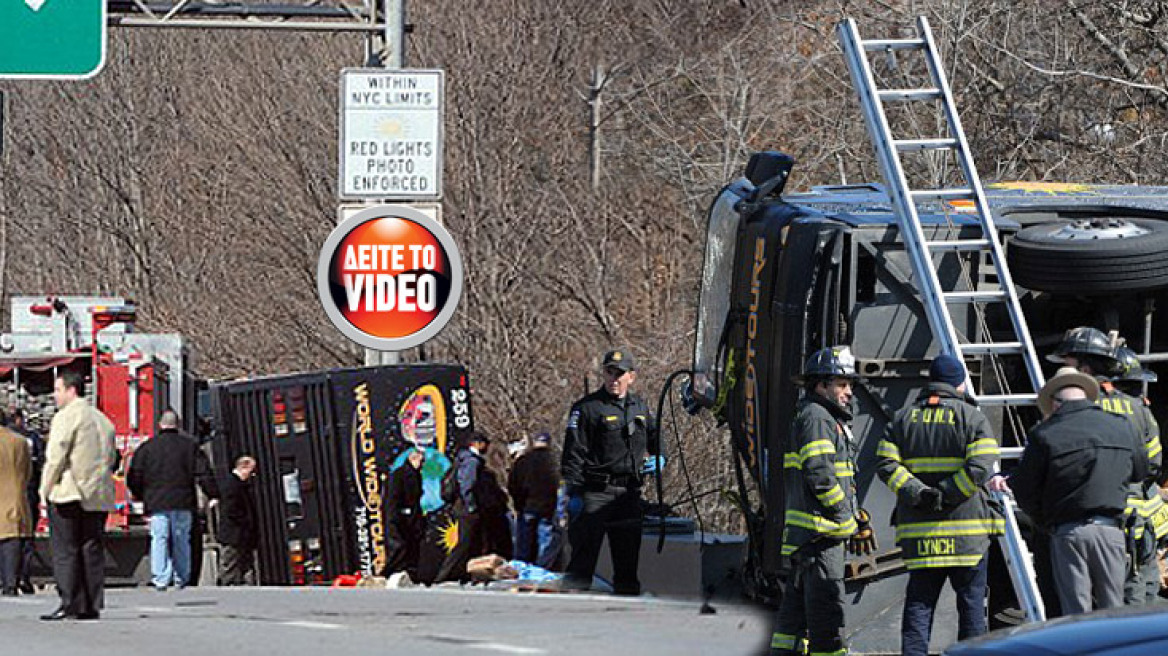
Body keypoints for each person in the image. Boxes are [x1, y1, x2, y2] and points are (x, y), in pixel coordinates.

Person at [989, 366, 1148, 615]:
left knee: (1076, 614)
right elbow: (1140, 472)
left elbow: (1025, 490)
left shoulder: (1044, 434)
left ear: (1055, 404)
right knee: (1115, 613)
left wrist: (1046, 522)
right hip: (1112, 531)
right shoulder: (1122, 426)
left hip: (1068, 533)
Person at [876, 354, 1001, 656]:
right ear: (960, 384)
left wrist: (920, 493)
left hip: (921, 537)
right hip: (967, 538)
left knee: (919, 607)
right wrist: (947, 493)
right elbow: (982, 466)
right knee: (971, 610)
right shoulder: (972, 417)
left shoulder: (902, 419)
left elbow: (885, 464)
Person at [1048, 327, 1163, 605]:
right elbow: (1153, 464)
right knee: (1137, 595)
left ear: (1085, 367)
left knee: (1088, 603)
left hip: (1094, 518)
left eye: (1069, 365)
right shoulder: (1137, 408)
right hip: (1139, 519)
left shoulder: (1079, 408)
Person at [770, 346, 864, 656]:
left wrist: (856, 514)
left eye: (849, 384)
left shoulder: (819, 416)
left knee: (793, 619)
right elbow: (820, 473)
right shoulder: (817, 417)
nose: (848, 392)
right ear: (820, 385)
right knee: (827, 617)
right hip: (821, 535)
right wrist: (844, 516)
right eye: (841, 384)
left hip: (812, 536)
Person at [561, 348, 659, 595]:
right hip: (595, 493)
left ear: (631, 377)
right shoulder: (587, 409)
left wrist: (660, 456)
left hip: (629, 493)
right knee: (582, 561)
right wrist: (573, 493)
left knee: (627, 564)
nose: (614, 379)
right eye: (609, 372)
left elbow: (656, 437)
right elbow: (574, 453)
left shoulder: (640, 407)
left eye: (620, 374)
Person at [39, 371, 117, 621]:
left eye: (58, 389)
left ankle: (70, 601)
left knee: (66, 549)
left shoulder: (66, 417)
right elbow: (111, 458)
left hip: (69, 491)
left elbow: (56, 457)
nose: (55, 395)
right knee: (91, 548)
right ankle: (91, 603)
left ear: (71, 390)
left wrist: (45, 489)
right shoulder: (103, 420)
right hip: (97, 493)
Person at [126, 408, 218, 591]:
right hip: (183, 501)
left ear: (160, 425)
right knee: (181, 538)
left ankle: (161, 577)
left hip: (157, 502)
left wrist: (139, 494)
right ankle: (181, 577)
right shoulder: (190, 446)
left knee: (159, 538)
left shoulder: (147, 448)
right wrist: (213, 493)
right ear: (178, 425)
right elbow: (203, 473)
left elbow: (134, 475)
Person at [1112, 345, 1166, 603]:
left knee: (1130, 584)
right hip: (1147, 514)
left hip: (1123, 514)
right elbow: (1154, 462)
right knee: (1147, 577)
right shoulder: (1144, 414)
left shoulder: (1100, 410)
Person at [436, 431, 492, 582]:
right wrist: (472, 505)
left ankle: (468, 575)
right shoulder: (471, 461)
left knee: (473, 542)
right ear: (476, 444)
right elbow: (467, 485)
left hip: (462, 507)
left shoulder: (463, 459)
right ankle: (444, 575)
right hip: (467, 509)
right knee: (464, 543)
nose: (487, 447)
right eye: (485, 443)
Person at [509, 432, 561, 568]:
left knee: (524, 542)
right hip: (547, 508)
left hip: (526, 507)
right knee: (545, 541)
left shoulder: (523, 461)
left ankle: (522, 569)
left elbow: (513, 485)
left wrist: (518, 504)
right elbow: (561, 486)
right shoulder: (554, 462)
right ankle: (541, 569)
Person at [10, 409, 43, 595]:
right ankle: (24, 576)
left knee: (7, 536)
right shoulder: (31, 439)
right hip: (28, 491)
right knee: (27, 536)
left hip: (5, 493)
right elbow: (41, 464)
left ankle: (8, 576)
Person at [0, 410, 32, 596]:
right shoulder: (20, 442)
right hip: (16, 499)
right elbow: (28, 472)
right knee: (13, 542)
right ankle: (11, 583)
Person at [218, 455, 258, 586]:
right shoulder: (233, 484)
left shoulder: (236, 484)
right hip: (234, 533)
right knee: (231, 563)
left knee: (243, 563)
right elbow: (231, 509)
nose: (252, 475)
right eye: (251, 471)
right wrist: (245, 522)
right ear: (243, 467)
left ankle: (246, 586)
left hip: (239, 533)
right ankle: (229, 586)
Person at [386, 448, 425, 579]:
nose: (422, 464)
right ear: (412, 458)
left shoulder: (415, 475)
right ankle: (391, 575)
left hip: (412, 519)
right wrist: (395, 517)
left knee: (412, 549)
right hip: (402, 519)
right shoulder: (399, 475)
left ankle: (411, 575)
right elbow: (393, 499)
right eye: (421, 460)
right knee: (400, 549)